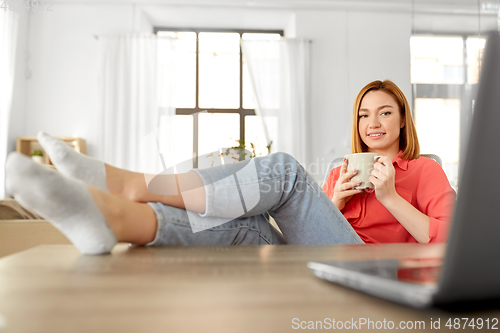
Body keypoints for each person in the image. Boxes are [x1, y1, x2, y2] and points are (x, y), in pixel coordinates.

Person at [5, 80, 455, 255]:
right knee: (252, 223)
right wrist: (333, 200)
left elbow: (448, 241)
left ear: (402, 120)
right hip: (322, 257)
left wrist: (391, 197)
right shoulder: (342, 171)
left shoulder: (424, 171)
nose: (372, 123)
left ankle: (131, 185)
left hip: (371, 266)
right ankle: (120, 221)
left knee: (283, 171)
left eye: (384, 113)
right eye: (363, 114)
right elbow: (312, 225)